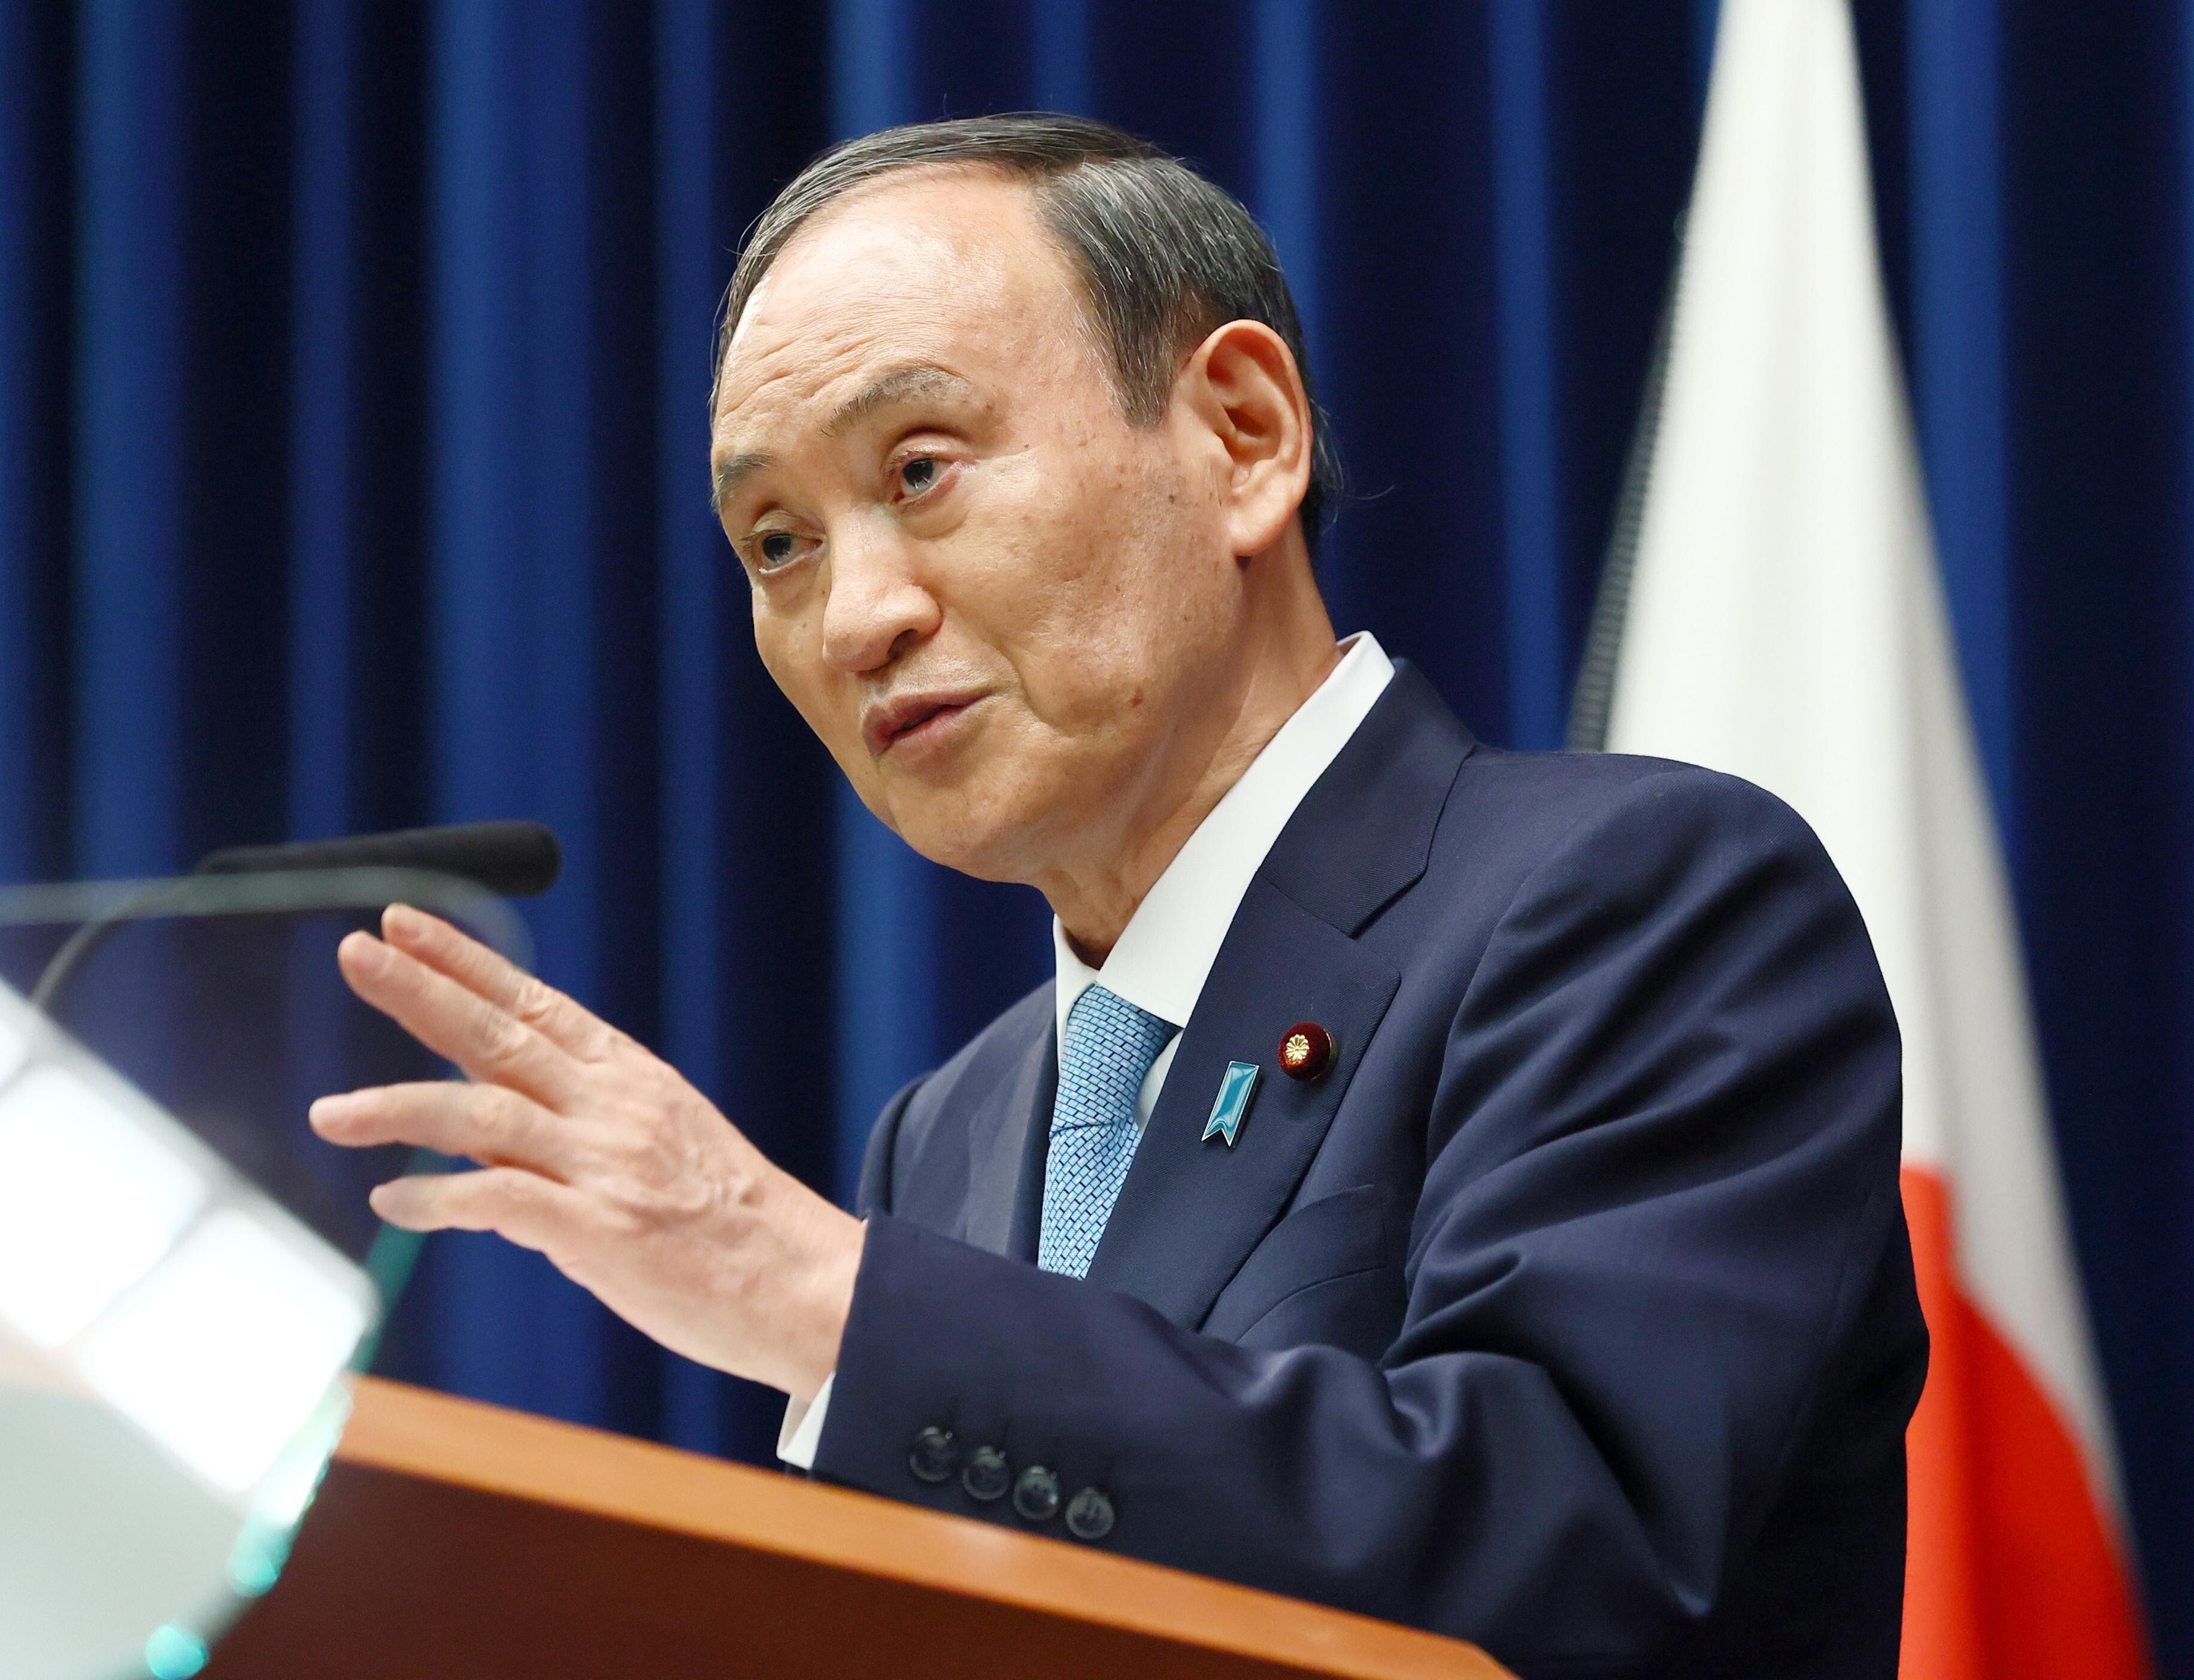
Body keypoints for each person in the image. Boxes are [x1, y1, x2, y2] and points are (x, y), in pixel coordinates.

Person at [310, 116, 1926, 1676]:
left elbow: (1563, 1555)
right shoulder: (958, 1125)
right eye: (780, 542)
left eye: (924, 467)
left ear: (1242, 436)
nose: (858, 613)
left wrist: (814, 1295)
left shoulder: (1642, 903)